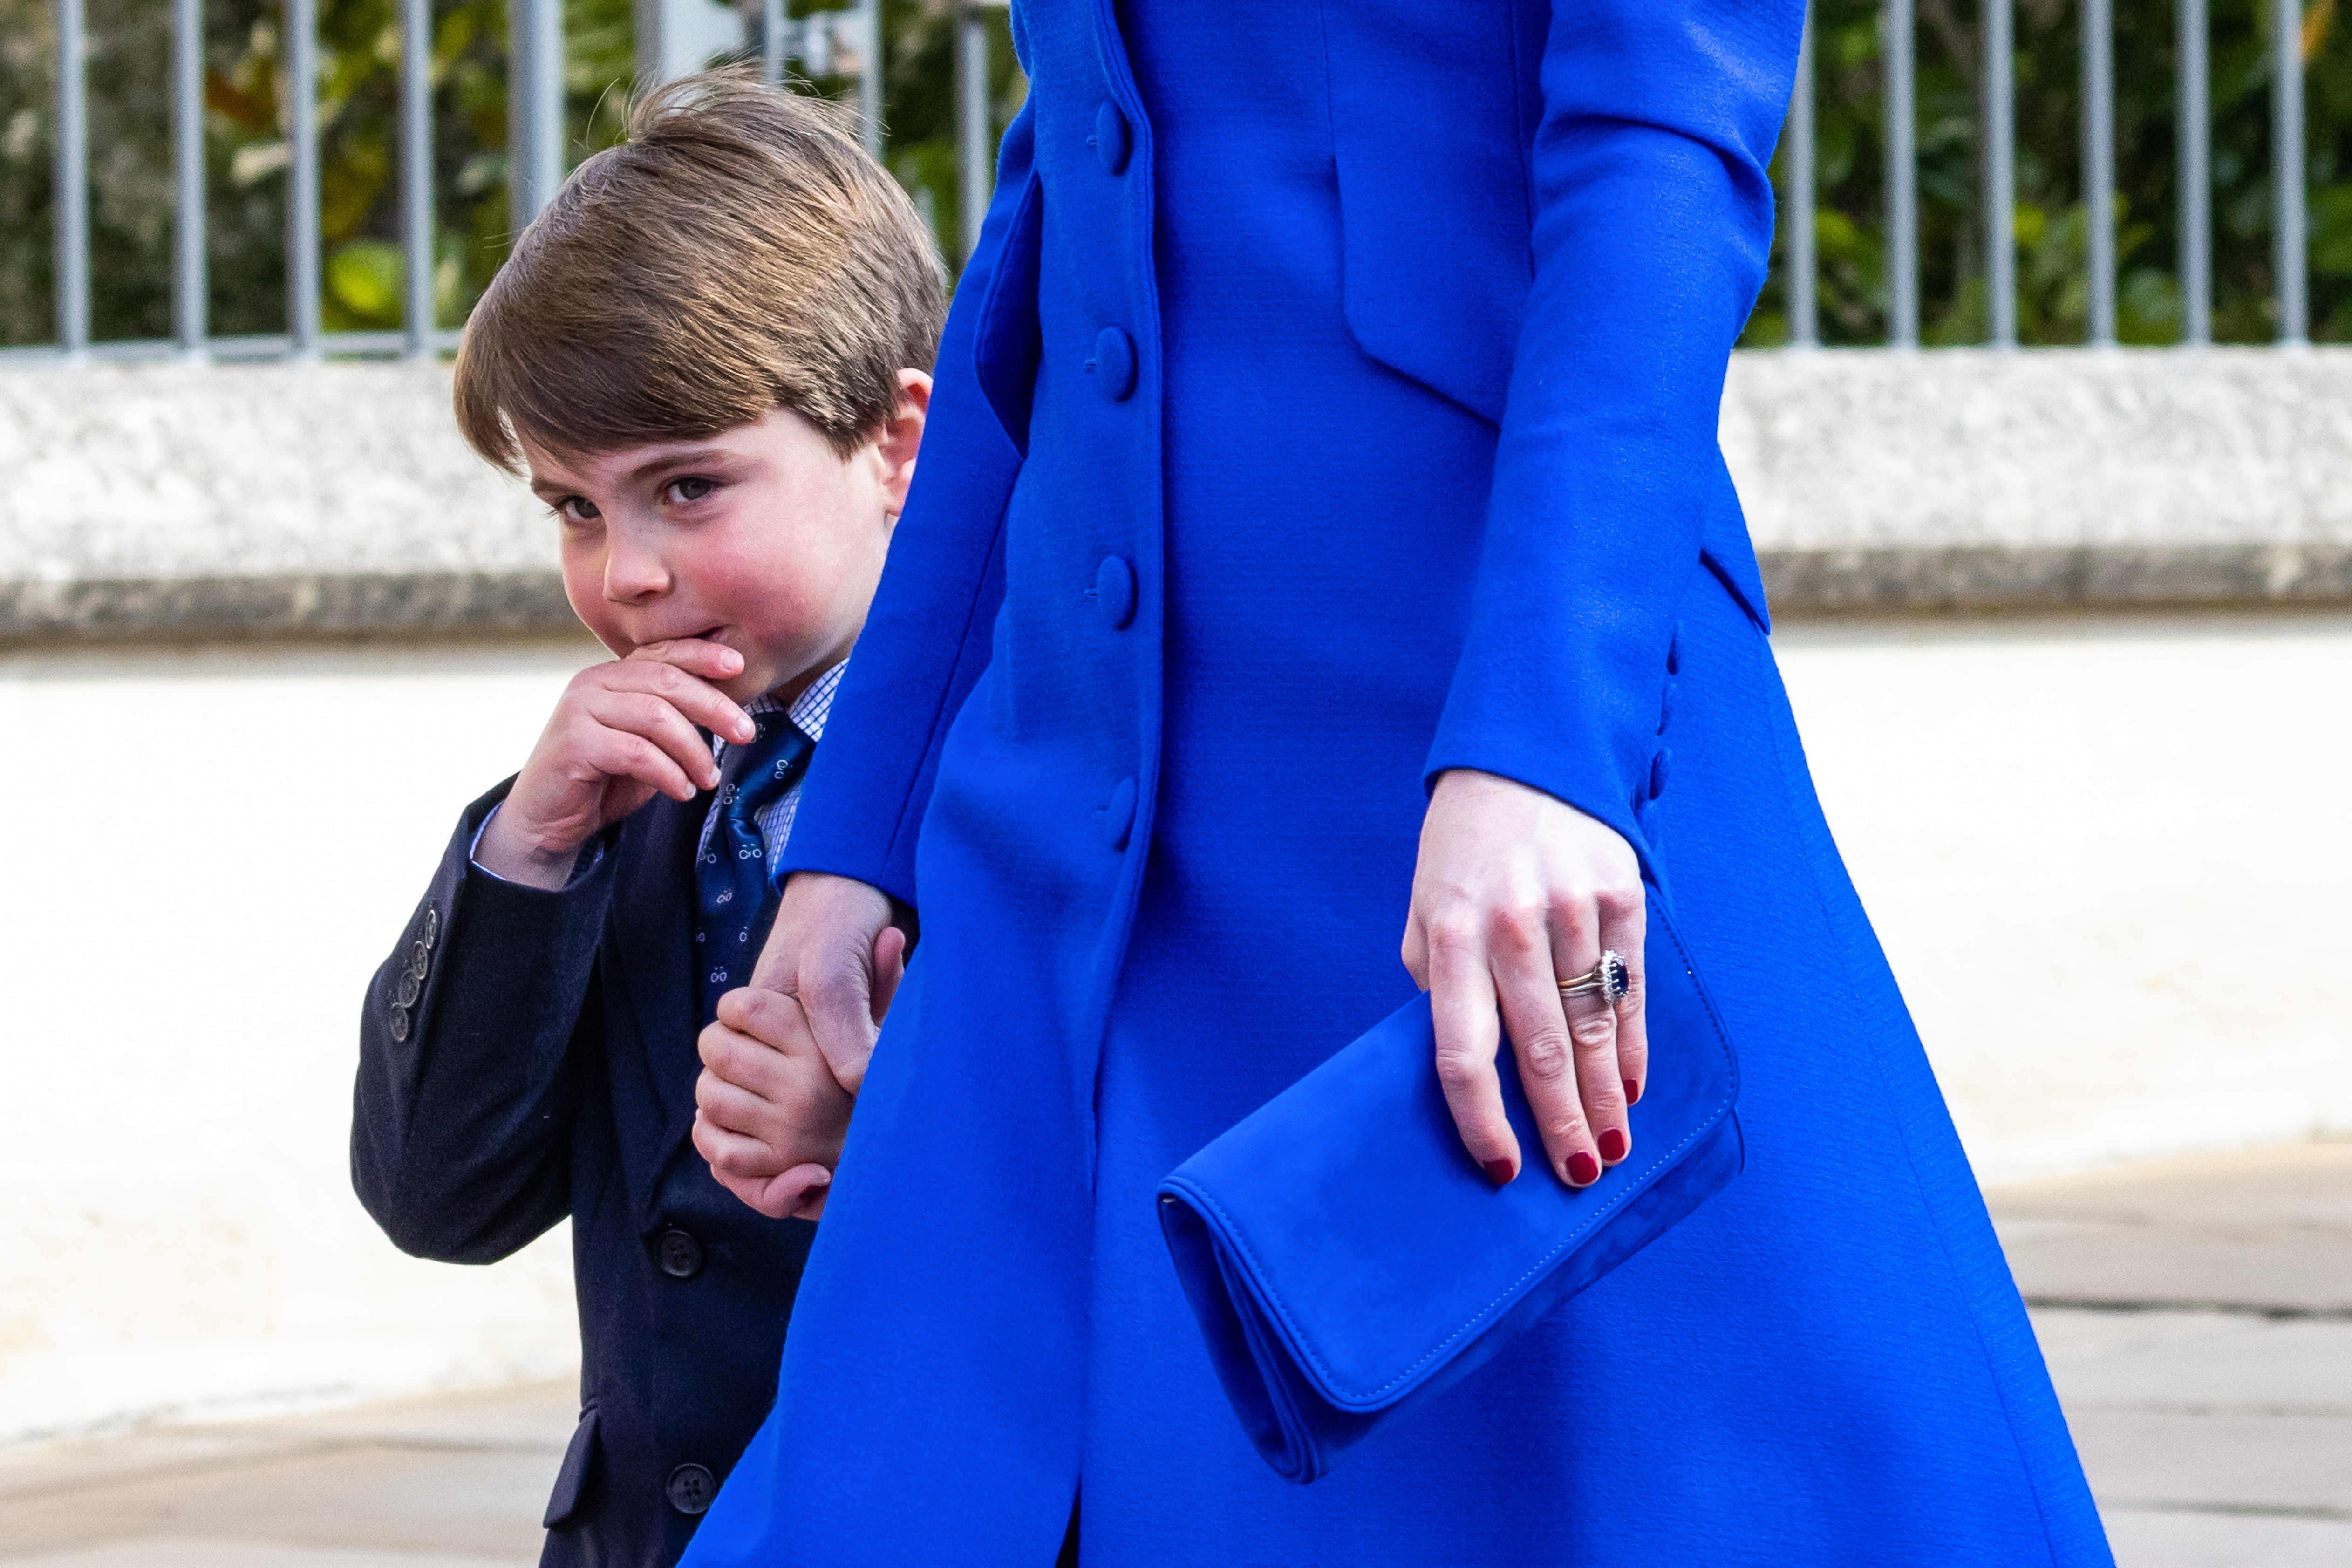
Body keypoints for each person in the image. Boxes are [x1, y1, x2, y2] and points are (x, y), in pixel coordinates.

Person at [686, 1, 2118, 1562]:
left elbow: (1658, 152)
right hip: (1068, 773)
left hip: (1464, 708)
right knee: (909, 1466)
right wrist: (861, 837)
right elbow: (1061, 189)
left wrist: (1538, 744)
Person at [347, 70, 940, 1568]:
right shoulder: (608, 800)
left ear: (897, 444)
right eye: (574, 508)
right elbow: (442, 1197)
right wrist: (527, 852)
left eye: (689, 486)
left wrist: (888, 1140)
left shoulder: (1025, 770)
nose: (628, 577)